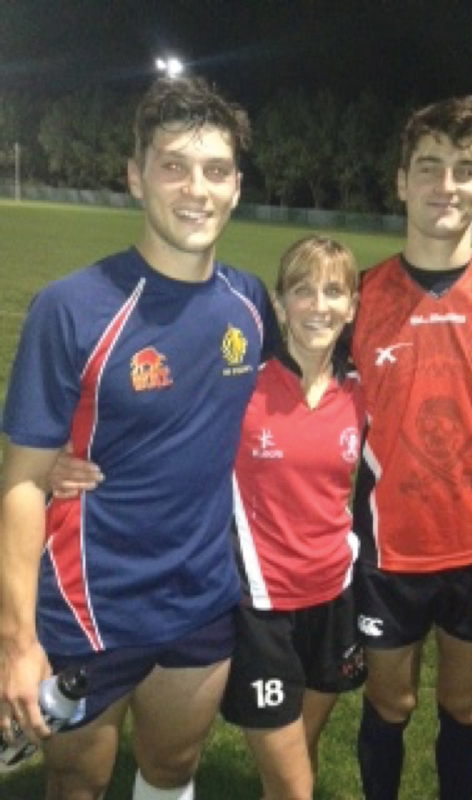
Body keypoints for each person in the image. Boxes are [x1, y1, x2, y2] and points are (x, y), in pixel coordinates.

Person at [0, 75, 280, 800]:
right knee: (80, 784)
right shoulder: (72, 308)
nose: (196, 189)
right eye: (173, 166)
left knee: (172, 768)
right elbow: (23, 481)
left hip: (200, 600)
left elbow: (326, 365)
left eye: (216, 170)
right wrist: (17, 641)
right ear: (135, 176)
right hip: (90, 607)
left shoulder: (249, 303)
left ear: (237, 188)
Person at [50, 235, 367, 800]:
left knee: (301, 761)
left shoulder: (361, 389)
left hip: (333, 594)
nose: (319, 304)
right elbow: (162, 419)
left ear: (353, 305)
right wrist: (54, 458)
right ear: (279, 301)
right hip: (257, 601)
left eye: (334, 291)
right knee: (294, 786)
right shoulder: (244, 380)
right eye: (302, 290)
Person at [351, 95, 472, 800]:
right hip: (383, 557)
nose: (447, 185)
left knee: (464, 707)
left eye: (465, 169)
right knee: (390, 705)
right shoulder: (356, 296)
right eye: (429, 167)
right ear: (402, 180)